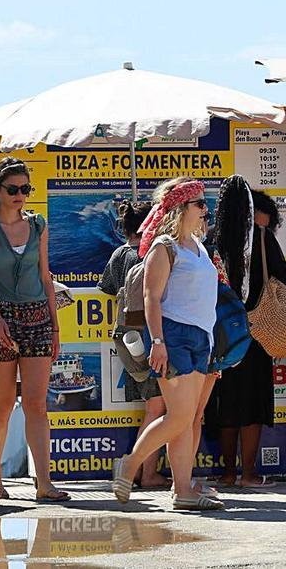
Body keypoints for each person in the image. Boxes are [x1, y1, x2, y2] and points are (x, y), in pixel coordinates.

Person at [113, 177, 222, 511]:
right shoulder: (165, 246)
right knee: (179, 417)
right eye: (200, 204)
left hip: (201, 337)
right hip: (173, 335)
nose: (206, 210)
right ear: (181, 208)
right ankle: (130, 465)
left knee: (187, 419)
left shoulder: (198, 247)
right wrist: (157, 341)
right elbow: (151, 297)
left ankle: (183, 490)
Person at [0, 157, 69, 503]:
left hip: (38, 319)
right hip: (2, 317)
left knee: (36, 404)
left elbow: (46, 276)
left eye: (25, 189)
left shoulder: (38, 225)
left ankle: (44, 483)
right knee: (1, 404)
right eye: (13, 189)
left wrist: (55, 329)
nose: (20, 195)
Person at [206, 178, 285, 489]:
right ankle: (249, 473)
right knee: (253, 403)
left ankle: (227, 472)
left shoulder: (211, 240)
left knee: (225, 403)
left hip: (221, 332)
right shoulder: (264, 239)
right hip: (258, 329)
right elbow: (283, 278)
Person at [98, 199, 173, 490]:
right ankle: (145, 471)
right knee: (157, 408)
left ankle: (141, 470)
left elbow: (107, 288)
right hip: (150, 338)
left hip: (125, 338)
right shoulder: (153, 255)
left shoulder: (119, 255)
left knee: (152, 406)